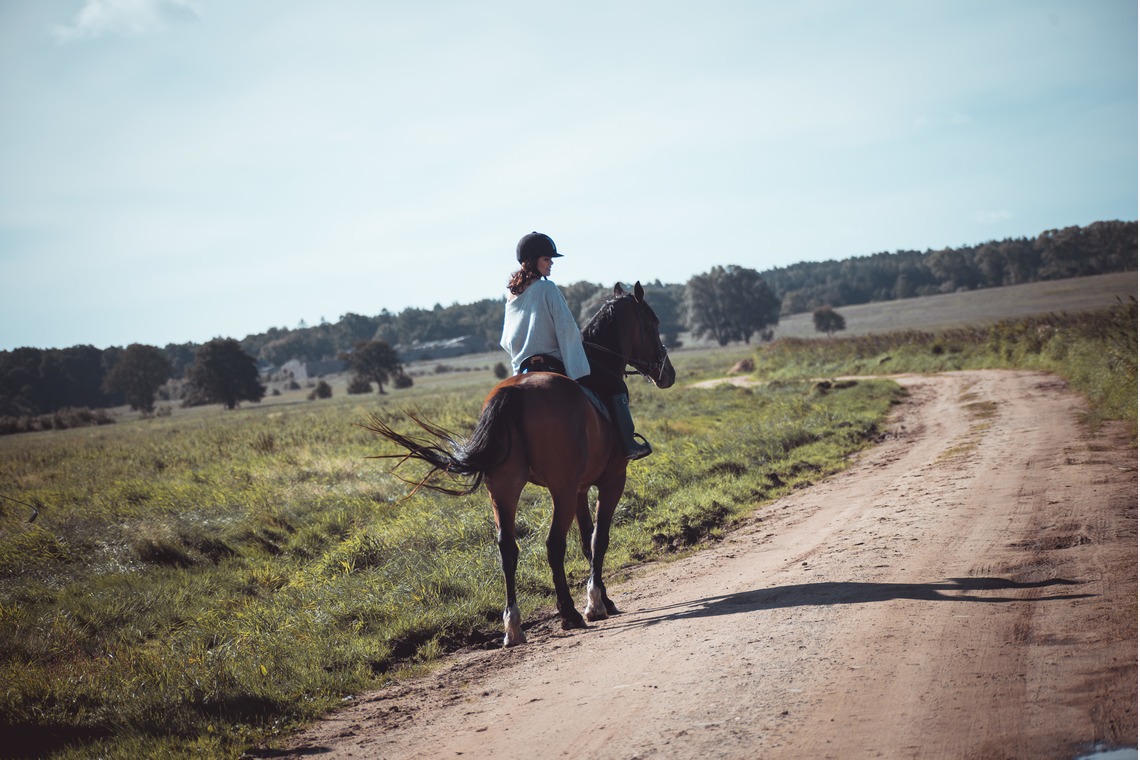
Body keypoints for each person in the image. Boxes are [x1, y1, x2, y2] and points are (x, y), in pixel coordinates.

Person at [500, 231, 652, 460]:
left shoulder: (511, 297)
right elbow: (567, 329)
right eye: (546, 259)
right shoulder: (547, 288)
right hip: (554, 363)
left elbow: (506, 341)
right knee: (616, 386)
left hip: (524, 369)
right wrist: (577, 346)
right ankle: (629, 445)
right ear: (532, 261)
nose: (551, 264)